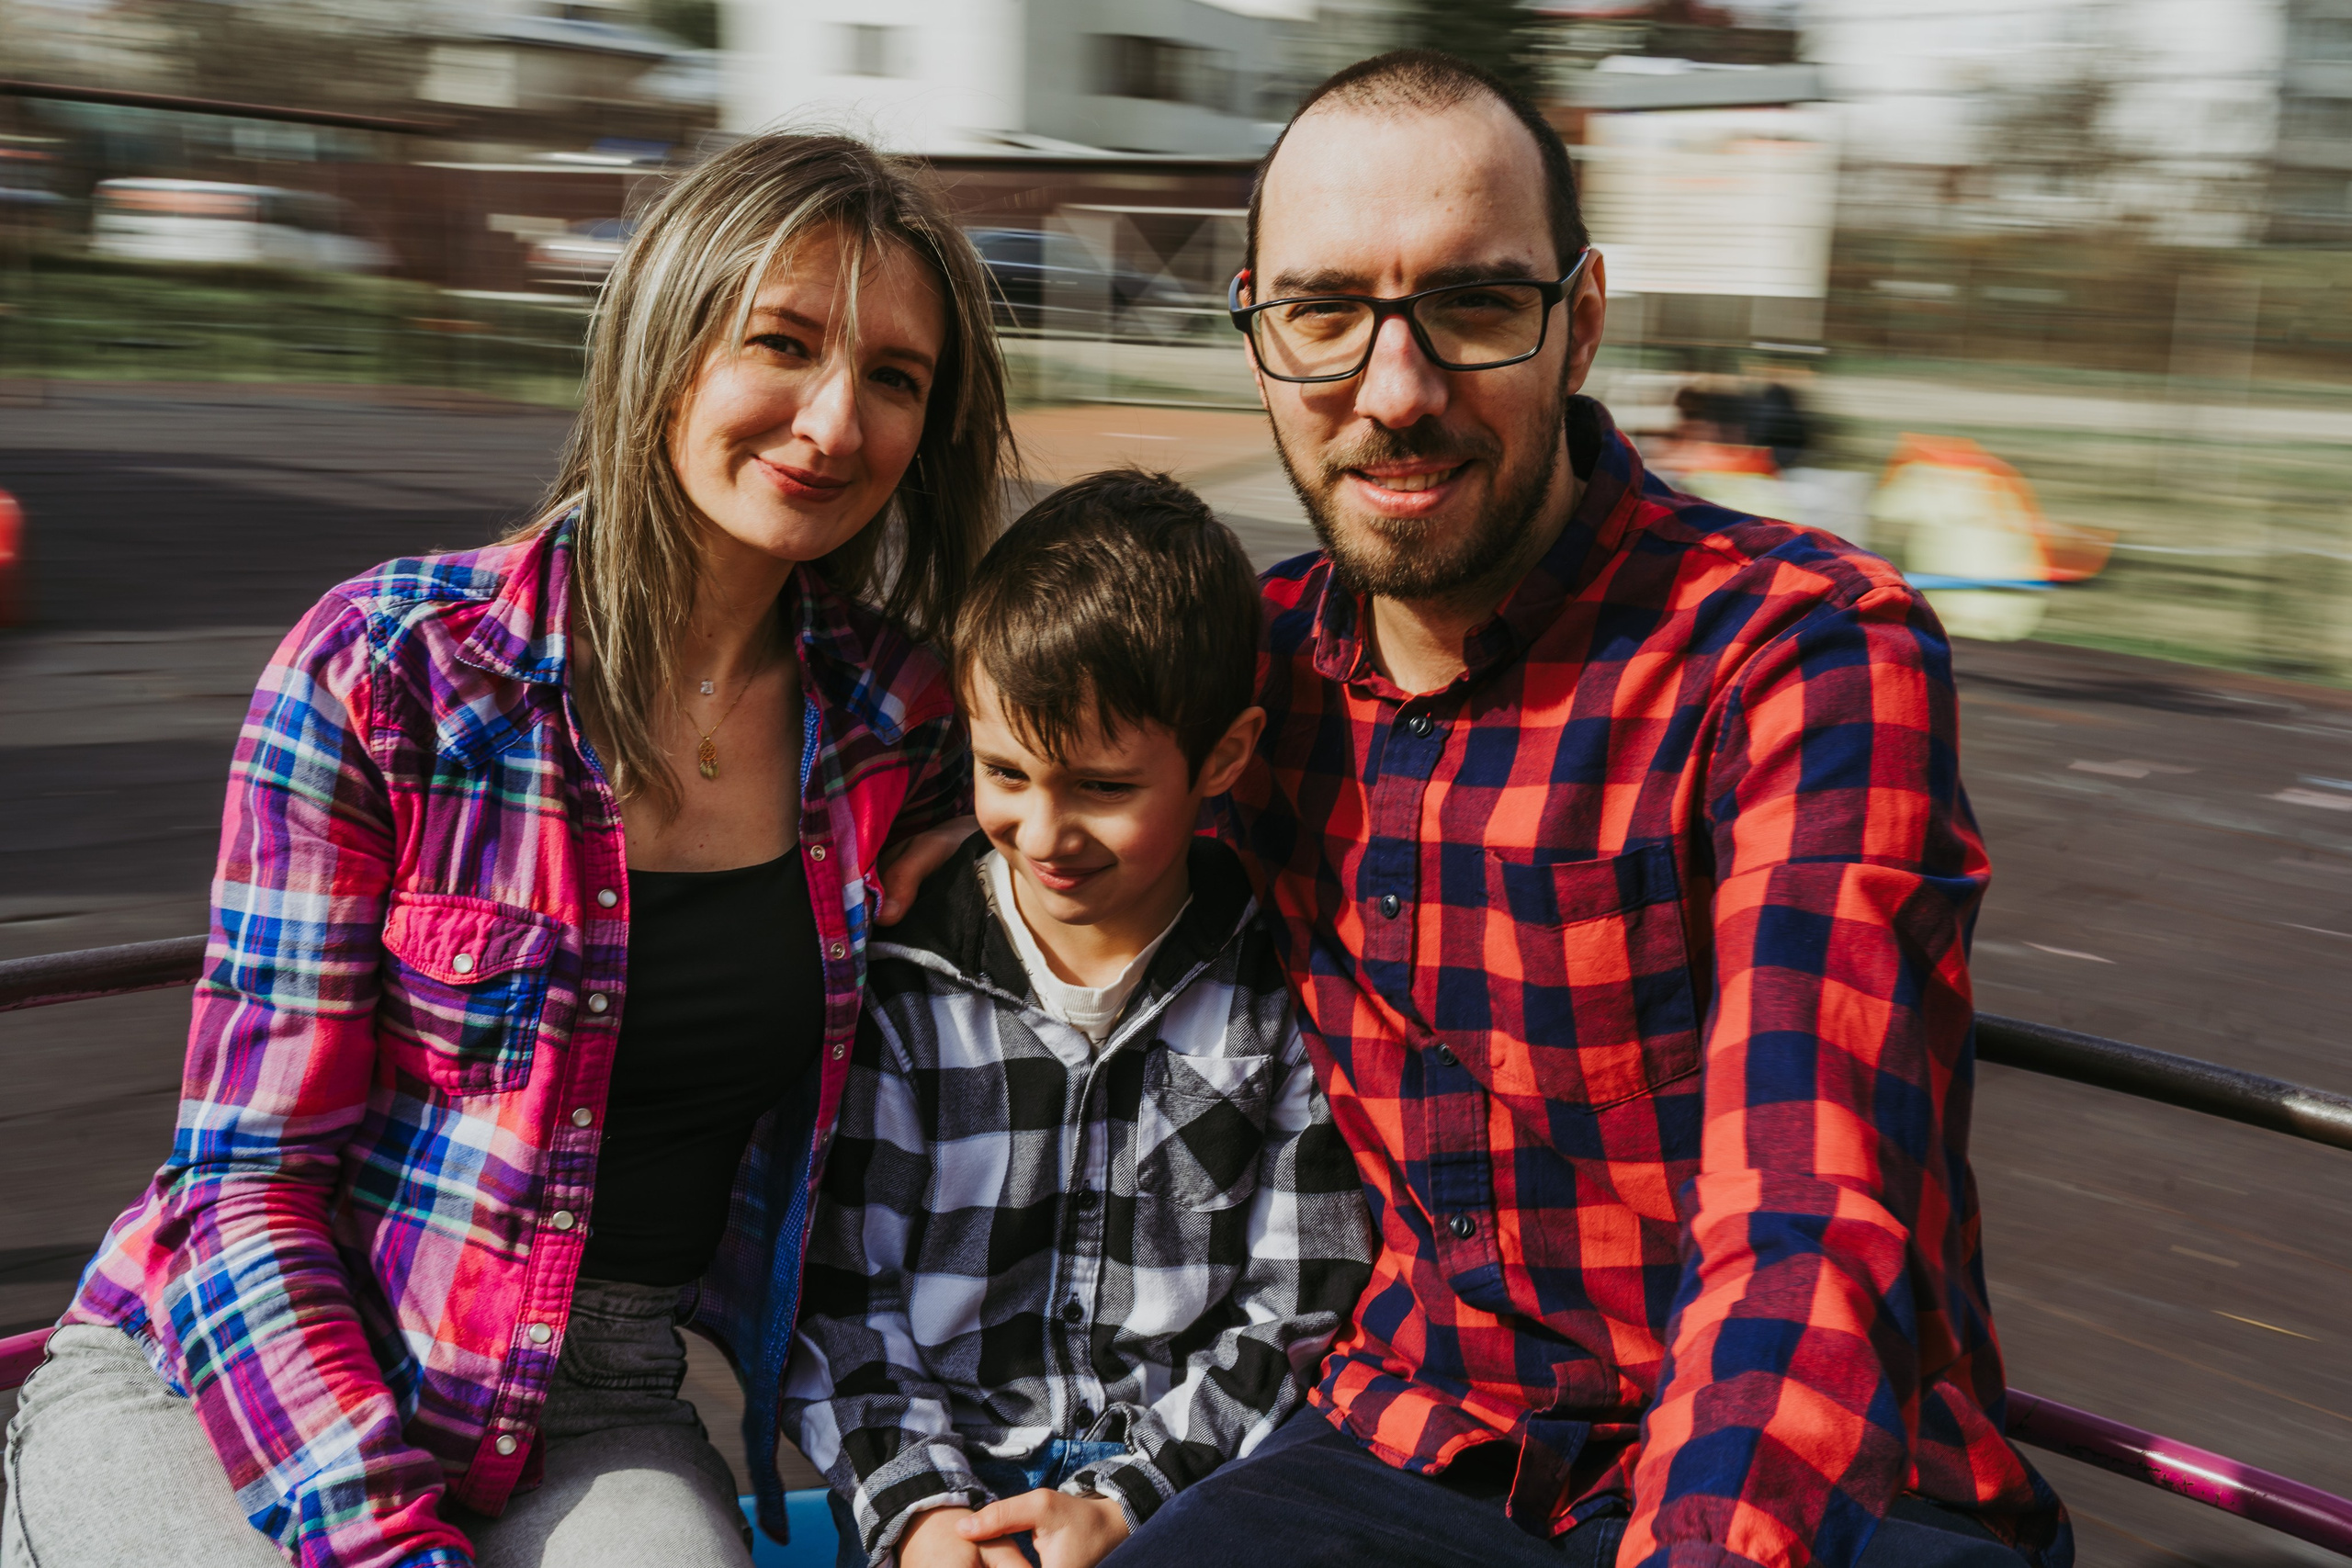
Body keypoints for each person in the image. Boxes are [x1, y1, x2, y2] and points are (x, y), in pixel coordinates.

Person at [885, 50, 2072, 1568]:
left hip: (1815, 1490)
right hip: (1403, 1439)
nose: (1395, 391)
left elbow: (1810, 1203)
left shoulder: (1791, 654)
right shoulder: (1259, 674)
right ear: (1259, 335)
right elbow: (1030, 738)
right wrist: (905, 814)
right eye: (1325, 314)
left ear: (1579, 323)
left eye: (1472, 305)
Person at [3, 132, 1011, 1568]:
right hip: (236, 1367)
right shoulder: (390, 670)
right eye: (781, 342)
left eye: (895, 378)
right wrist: (386, 1540)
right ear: (667, 348)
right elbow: (244, 1184)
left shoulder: (896, 718)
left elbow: (1161, 770)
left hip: (592, 1394)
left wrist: (996, 809)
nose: (834, 422)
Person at [786, 471, 1375, 1568]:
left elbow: (1296, 1300)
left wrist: (1129, 1500)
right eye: (1003, 771)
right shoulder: (908, 983)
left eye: (1102, 788)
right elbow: (840, 1297)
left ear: (1225, 758)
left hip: (1179, 1499)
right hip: (934, 1490)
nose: (1042, 830)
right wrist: (924, 1516)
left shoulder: (1275, 984)